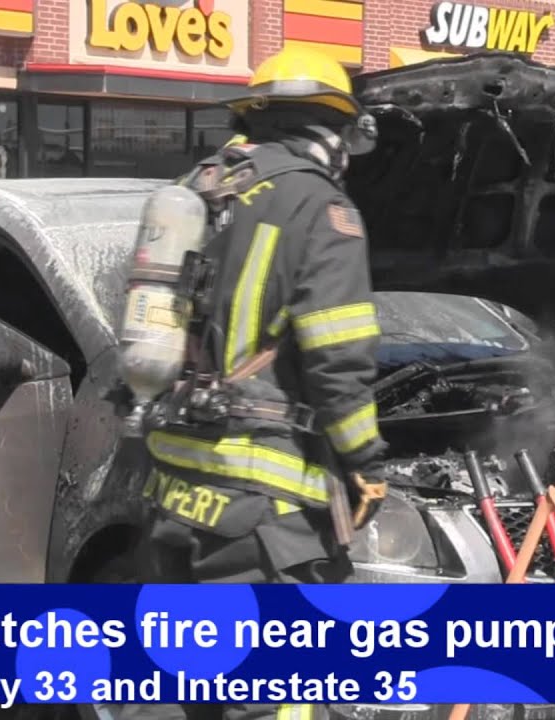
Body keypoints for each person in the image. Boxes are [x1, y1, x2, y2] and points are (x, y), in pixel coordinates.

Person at [118, 45, 389, 720]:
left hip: (174, 489)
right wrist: (365, 464)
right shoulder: (323, 209)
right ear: (329, 131)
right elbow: (338, 359)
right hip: (261, 513)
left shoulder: (202, 189)